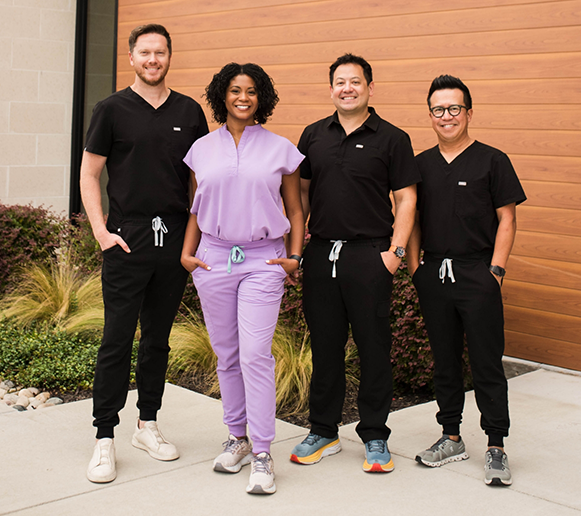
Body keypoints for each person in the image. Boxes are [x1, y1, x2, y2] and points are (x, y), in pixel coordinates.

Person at [80, 24, 209, 483]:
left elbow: (199, 181)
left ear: (170, 56)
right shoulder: (111, 109)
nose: (153, 59)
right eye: (145, 52)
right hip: (126, 236)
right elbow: (89, 173)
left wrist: (196, 239)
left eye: (160, 52)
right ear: (132, 57)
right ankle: (104, 437)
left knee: (157, 339)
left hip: (173, 240)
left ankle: (147, 425)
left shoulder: (190, 111)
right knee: (116, 338)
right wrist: (101, 231)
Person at [289, 54, 420, 472]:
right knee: (325, 346)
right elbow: (300, 197)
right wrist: (298, 245)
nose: (347, 88)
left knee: (373, 347)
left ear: (370, 87)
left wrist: (395, 254)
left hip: (371, 255)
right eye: (340, 82)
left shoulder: (393, 138)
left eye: (355, 82)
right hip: (322, 252)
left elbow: (406, 198)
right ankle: (324, 431)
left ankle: (376, 436)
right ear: (331, 89)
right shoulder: (312, 135)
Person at [181, 62, 304, 495]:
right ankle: (237, 438)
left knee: (255, 354)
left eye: (251, 91)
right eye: (235, 90)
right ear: (222, 96)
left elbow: (295, 211)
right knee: (227, 355)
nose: (243, 98)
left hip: (262, 262)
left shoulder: (280, 148)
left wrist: (294, 257)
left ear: (261, 97)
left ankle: (264, 451)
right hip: (213, 259)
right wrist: (187, 253)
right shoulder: (200, 149)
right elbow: (197, 206)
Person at [407, 75, 526, 486]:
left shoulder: (493, 160)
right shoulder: (420, 164)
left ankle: (496, 446)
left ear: (469, 112)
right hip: (434, 275)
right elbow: (414, 219)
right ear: (430, 116)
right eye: (438, 109)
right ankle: (451, 436)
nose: (447, 116)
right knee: (444, 361)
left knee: (486, 363)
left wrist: (495, 271)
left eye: (454, 108)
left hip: (478, 273)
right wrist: (414, 268)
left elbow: (507, 219)